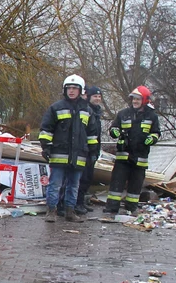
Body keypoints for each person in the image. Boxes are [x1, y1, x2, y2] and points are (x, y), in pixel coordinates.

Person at [39, 75, 92, 223]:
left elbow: (92, 133)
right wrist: (46, 146)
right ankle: (51, 211)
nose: (72, 91)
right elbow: (46, 129)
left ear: (80, 90)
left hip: (79, 154)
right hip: (59, 153)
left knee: (74, 185)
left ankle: (70, 211)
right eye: (69, 88)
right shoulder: (56, 107)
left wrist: (92, 151)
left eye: (75, 88)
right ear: (65, 89)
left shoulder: (87, 110)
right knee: (55, 184)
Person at [104, 86, 160, 215]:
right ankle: (111, 207)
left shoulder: (152, 116)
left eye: (138, 99)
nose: (135, 101)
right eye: (133, 99)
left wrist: (152, 138)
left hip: (140, 156)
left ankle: (131, 207)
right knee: (117, 182)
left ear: (144, 100)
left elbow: (156, 132)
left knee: (136, 184)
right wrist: (114, 131)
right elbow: (113, 128)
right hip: (123, 156)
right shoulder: (123, 113)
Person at [75, 86, 104, 215]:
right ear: (88, 97)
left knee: (88, 178)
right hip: (84, 149)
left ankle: (82, 202)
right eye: (95, 96)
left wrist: (95, 151)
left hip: (93, 149)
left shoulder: (97, 112)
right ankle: (78, 203)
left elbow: (96, 134)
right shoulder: (86, 110)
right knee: (82, 178)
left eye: (99, 97)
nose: (97, 99)